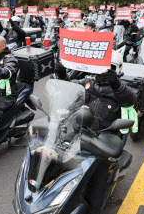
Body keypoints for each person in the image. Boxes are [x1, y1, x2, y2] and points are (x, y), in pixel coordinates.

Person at [58, 52, 136, 214]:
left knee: (96, 190)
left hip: (104, 141)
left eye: (110, 68)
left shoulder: (121, 89)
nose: (105, 71)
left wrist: (115, 84)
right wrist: (61, 72)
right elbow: (68, 88)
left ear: (118, 69)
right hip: (79, 133)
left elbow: (130, 99)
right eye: (102, 67)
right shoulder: (87, 82)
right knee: (55, 160)